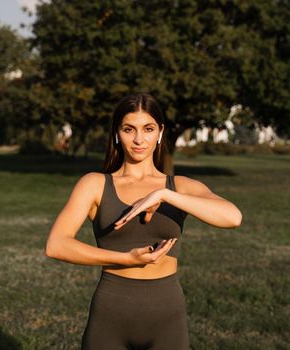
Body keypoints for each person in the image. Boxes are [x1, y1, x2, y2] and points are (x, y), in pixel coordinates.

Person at [45, 93, 242, 350]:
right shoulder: (95, 184)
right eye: (129, 129)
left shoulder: (178, 186)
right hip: (110, 314)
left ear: (160, 132)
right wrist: (127, 259)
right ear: (117, 133)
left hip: (167, 317)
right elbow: (56, 245)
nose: (139, 139)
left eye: (148, 129)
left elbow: (232, 217)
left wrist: (163, 194)